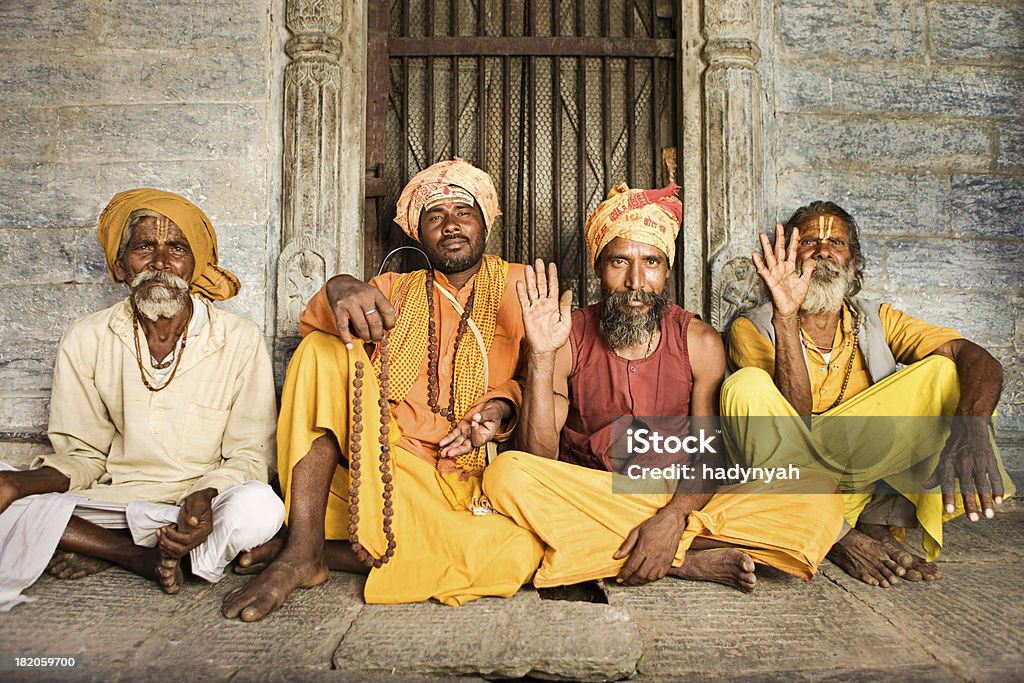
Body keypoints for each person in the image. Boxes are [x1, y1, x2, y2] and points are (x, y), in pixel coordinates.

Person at [222, 159, 543, 621]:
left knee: (513, 551)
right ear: (418, 232)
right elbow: (318, 325)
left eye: (463, 212)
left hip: (462, 480)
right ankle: (304, 550)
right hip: (381, 468)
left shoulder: (522, 286)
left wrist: (501, 404)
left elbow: (543, 381)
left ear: (486, 220)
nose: (450, 225)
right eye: (435, 216)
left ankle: (318, 548)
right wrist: (338, 286)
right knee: (320, 349)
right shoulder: (390, 287)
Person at [482, 184, 844, 592]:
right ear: (599, 267)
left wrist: (672, 518)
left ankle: (629, 546)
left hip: (679, 499)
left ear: (667, 269)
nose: (636, 281)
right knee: (506, 475)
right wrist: (542, 355)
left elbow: (709, 458)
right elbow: (538, 457)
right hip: (595, 491)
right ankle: (683, 560)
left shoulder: (700, 342)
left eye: (651, 262)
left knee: (821, 495)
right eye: (620, 261)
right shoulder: (568, 336)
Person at [0, 189, 282, 611]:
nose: (160, 263)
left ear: (196, 265)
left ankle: (111, 550)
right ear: (120, 265)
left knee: (260, 507)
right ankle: (137, 556)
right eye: (144, 247)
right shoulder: (87, 337)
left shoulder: (238, 339)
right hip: (113, 501)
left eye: (177, 249)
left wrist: (206, 493)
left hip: (199, 506)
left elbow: (251, 455)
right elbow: (83, 454)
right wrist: (18, 484)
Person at [723, 201, 1015, 587]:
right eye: (809, 241)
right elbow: (792, 422)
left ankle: (875, 518)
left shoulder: (877, 318)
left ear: (854, 264)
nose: (823, 251)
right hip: (791, 485)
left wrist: (972, 429)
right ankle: (838, 536)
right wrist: (787, 318)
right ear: (788, 258)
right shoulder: (754, 327)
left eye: (836, 243)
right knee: (745, 387)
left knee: (948, 373)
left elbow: (975, 357)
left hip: (861, 483)